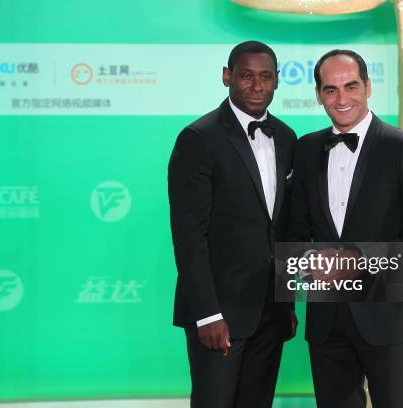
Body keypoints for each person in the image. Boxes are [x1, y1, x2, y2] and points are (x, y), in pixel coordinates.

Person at [286, 49, 403, 408]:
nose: (341, 99)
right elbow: (295, 231)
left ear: (369, 87)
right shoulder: (307, 149)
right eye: (330, 89)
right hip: (326, 317)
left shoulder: (402, 146)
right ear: (317, 94)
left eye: (351, 86)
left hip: (385, 316)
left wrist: (360, 260)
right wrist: (311, 261)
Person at [168, 41, 298, 408]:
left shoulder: (287, 138)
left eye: (266, 77)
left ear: (276, 82)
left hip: (271, 316)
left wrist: (286, 305)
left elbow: (283, 229)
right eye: (246, 76)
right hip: (219, 317)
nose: (257, 86)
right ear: (227, 77)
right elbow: (189, 235)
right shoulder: (199, 138)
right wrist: (207, 314)